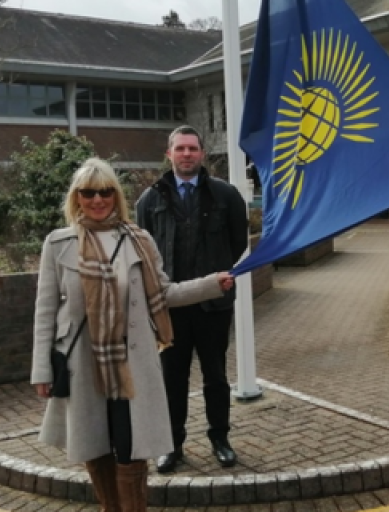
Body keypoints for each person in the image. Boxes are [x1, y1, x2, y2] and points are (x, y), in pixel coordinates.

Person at [31, 158, 236, 511]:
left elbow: (165, 293)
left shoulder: (139, 240)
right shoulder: (58, 244)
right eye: (89, 193)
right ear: (77, 198)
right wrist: (41, 371)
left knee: (130, 448)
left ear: (116, 195)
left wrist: (211, 285)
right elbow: (45, 311)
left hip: (132, 365)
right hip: (84, 364)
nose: (98, 200)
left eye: (106, 191)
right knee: (95, 446)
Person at [136, 125, 248, 473]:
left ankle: (220, 439)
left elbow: (237, 242)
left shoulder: (226, 195)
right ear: (169, 154)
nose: (187, 154)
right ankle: (172, 445)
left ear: (202, 154)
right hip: (170, 308)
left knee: (216, 376)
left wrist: (213, 278)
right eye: (180, 149)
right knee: (172, 379)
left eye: (192, 149)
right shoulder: (149, 200)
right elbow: (143, 250)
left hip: (213, 304)